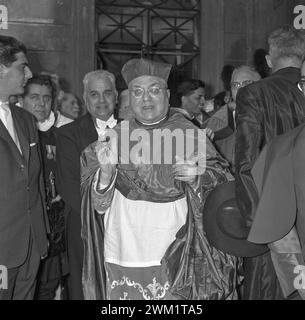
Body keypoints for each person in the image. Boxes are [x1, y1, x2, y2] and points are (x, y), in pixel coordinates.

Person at [80, 58, 240, 300]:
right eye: (138, 91)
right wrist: (106, 173)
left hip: (177, 249)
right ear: (128, 97)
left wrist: (198, 179)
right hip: (125, 249)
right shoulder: (112, 139)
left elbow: (223, 186)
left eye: (154, 90)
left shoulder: (191, 136)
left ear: (167, 95)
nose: (146, 99)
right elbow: (96, 208)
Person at [234, 25, 305, 299]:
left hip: (274, 217)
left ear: (268, 59)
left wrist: (255, 225)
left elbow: (246, 162)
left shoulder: (252, 94)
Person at [56, 70, 118, 300]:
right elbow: (69, 185)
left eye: (107, 93)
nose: (101, 100)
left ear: (116, 97)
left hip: (125, 225)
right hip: (84, 226)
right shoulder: (67, 134)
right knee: (85, 288)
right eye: (94, 94)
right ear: (85, 98)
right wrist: (101, 213)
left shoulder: (134, 132)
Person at [0, 36, 49, 299]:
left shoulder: (26, 120)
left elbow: (35, 180)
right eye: (22, 67)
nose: (29, 74)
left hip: (31, 245)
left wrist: (41, 235)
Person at [20, 74, 68, 300]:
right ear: (22, 99)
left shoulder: (62, 134)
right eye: (34, 97)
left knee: (47, 290)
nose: (41, 103)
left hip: (52, 230)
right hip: (19, 230)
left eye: (46, 98)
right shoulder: (10, 133)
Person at [204, 66, 261, 171]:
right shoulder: (216, 123)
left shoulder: (272, 119)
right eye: (235, 85)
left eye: (247, 83)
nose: (240, 89)